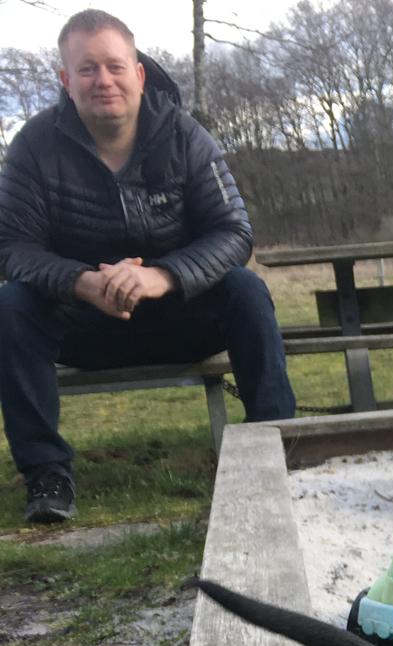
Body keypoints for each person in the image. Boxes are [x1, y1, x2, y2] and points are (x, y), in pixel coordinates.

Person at [0, 9, 296, 524]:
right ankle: (47, 476)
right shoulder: (33, 146)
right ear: (66, 81)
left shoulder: (185, 137)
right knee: (9, 305)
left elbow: (234, 233)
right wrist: (80, 281)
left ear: (138, 73)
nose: (103, 80)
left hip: (178, 317)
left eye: (115, 66)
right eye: (87, 69)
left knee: (246, 291)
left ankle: (276, 450)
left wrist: (163, 276)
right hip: (82, 326)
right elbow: (11, 247)